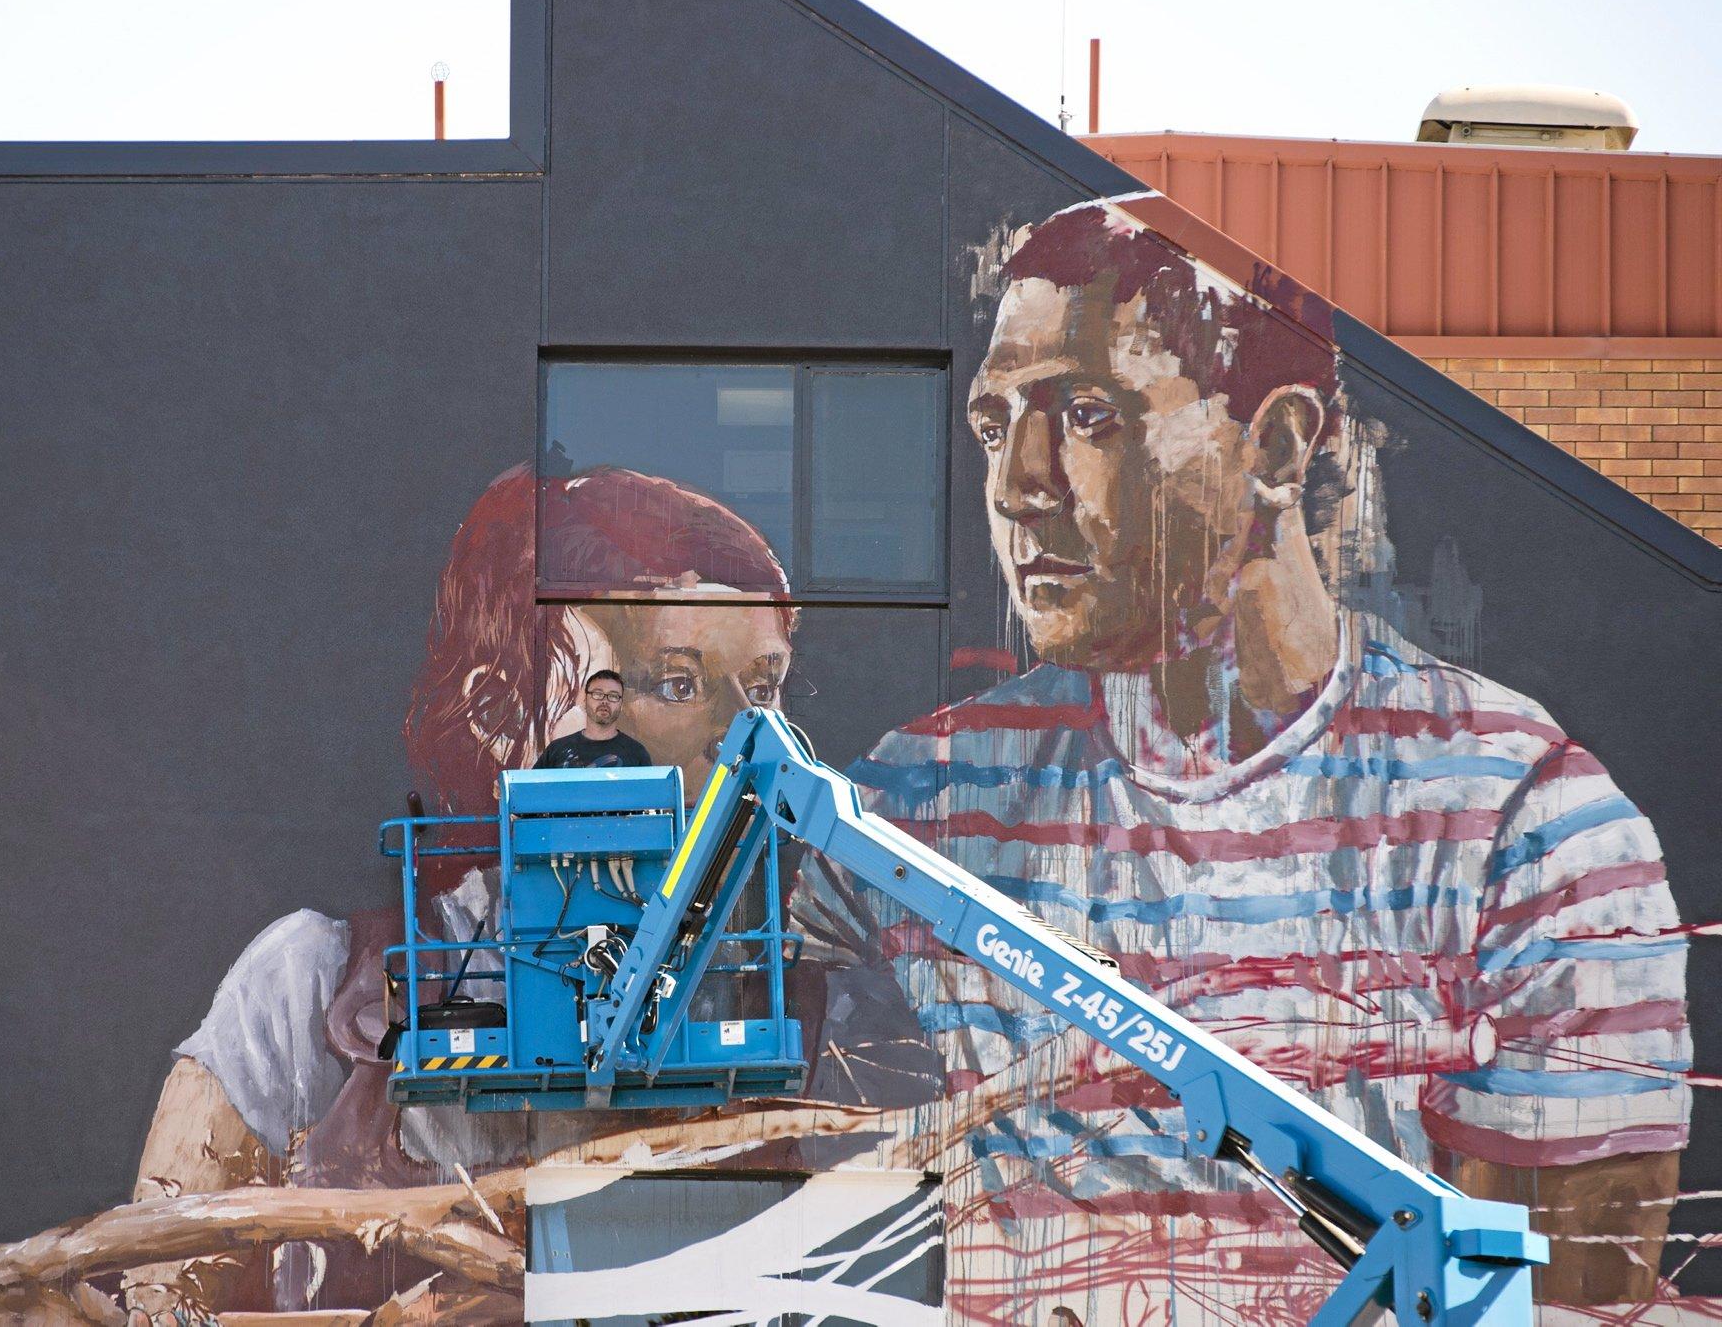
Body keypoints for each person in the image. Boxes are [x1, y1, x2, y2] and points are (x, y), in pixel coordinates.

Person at [790, 199, 1689, 1320]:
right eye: (991, 425)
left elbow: (1573, 1295)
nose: (1018, 484)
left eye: (1083, 414)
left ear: (1271, 442)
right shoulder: (915, 800)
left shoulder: (1525, 822)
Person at [124, 463, 797, 1319]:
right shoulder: (304, 995)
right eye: (674, 683)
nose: (740, 739)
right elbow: (150, 1285)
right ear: (495, 713)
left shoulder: (786, 990)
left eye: (765, 690)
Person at [532, 668, 651, 768]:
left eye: (613, 696)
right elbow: (531, 792)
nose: (605, 701)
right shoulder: (556, 750)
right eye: (598, 694)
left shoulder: (636, 753)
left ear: (621, 704)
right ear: (585, 700)